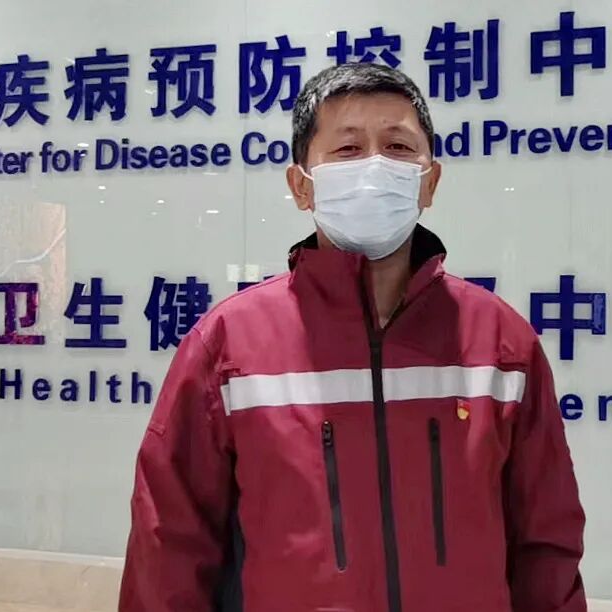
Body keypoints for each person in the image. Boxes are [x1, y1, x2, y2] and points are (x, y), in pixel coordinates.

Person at [119, 63, 586, 612]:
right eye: (347, 149)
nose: (375, 167)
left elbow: (545, 544)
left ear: (430, 181)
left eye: (398, 147)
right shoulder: (227, 346)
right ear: (301, 186)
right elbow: (168, 545)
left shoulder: (501, 342)